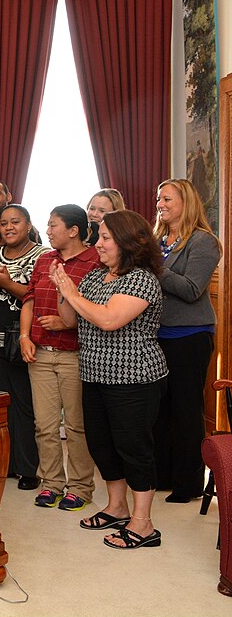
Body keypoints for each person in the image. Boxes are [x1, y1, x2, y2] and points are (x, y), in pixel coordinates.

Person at [51, 210, 167, 550]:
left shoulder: (141, 279)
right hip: (95, 374)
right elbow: (70, 318)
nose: (96, 244)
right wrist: (63, 288)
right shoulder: (95, 277)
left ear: (128, 242)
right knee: (102, 446)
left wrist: (72, 292)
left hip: (134, 378)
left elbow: (108, 320)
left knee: (134, 449)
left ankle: (143, 524)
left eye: (104, 238)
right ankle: (117, 508)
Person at [20, 205, 100, 511]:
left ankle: (80, 486)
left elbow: (98, 307)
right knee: (45, 425)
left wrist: (68, 323)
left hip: (75, 354)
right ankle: (51, 483)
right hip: (40, 352)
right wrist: (25, 337)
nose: (48, 230)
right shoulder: (44, 259)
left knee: (77, 426)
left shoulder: (94, 261)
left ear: (73, 230)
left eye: (54, 225)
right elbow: (28, 299)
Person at [152, 179, 221, 503]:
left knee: (186, 409)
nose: (160, 204)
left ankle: (189, 483)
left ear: (186, 202)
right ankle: (162, 475)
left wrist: (156, 268)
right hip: (157, 335)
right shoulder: (157, 240)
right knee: (160, 409)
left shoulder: (203, 242)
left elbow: (193, 289)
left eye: (166, 198)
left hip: (190, 336)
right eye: (158, 199)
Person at [0, 205, 49, 490]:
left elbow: (37, 295)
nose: (8, 228)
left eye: (15, 222)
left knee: (25, 406)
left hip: (24, 340)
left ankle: (28, 469)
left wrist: (4, 282)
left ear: (28, 225)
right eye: (3, 224)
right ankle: (1, 465)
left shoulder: (42, 255)